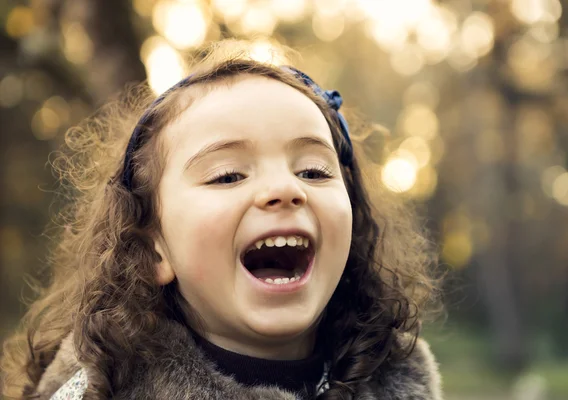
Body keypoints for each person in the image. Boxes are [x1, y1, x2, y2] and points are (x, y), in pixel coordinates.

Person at [1, 40, 442, 399]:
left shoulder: (397, 382)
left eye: (313, 171)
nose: (285, 189)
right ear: (154, 249)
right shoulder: (99, 389)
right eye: (227, 175)